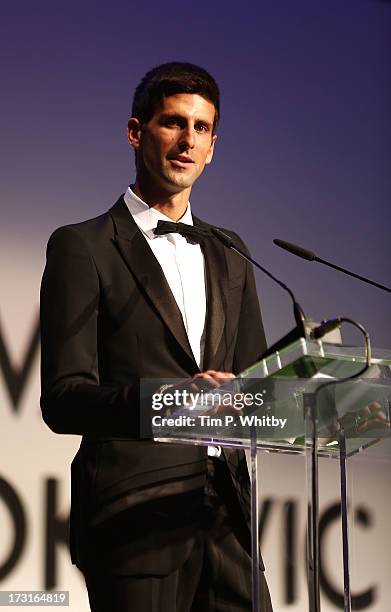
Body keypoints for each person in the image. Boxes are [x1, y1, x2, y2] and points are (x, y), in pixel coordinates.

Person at [40, 62, 272, 611]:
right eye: (173, 123)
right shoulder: (84, 246)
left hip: (230, 522)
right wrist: (174, 403)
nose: (187, 141)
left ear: (213, 145)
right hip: (134, 518)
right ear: (136, 131)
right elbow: (64, 399)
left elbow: (258, 387)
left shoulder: (231, 252)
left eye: (201, 128)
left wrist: (308, 403)